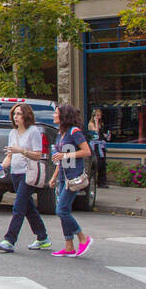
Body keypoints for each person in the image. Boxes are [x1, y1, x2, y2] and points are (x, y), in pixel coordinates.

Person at [0, 103, 52, 253]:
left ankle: (9, 240)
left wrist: (21, 150)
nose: (16, 117)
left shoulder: (33, 131)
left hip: (29, 172)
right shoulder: (12, 133)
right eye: (14, 114)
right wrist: (2, 166)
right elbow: (9, 155)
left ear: (26, 116)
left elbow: (38, 155)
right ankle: (42, 237)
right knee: (29, 208)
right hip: (16, 172)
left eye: (19, 114)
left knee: (18, 207)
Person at [48, 104, 93, 257]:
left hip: (73, 177)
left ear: (64, 116)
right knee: (64, 211)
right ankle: (68, 246)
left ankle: (83, 238)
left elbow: (86, 151)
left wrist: (65, 156)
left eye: (56, 113)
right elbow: (60, 159)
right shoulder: (61, 133)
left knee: (61, 210)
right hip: (62, 176)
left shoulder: (75, 132)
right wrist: (54, 177)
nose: (53, 115)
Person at [87, 108, 109, 187]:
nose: (99, 117)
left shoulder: (101, 123)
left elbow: (101, 133)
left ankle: (102, 182)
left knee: (103, 163)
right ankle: (95, 180)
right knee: (98, 163)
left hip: (101, 144)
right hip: (95, 145)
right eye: (97, 115)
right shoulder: (91, 124)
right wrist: (96, 122)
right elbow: (95, 132)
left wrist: (105, 135)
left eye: (100, 115)